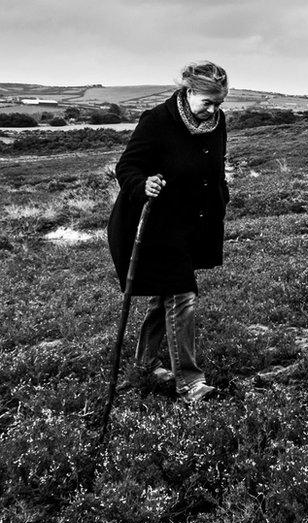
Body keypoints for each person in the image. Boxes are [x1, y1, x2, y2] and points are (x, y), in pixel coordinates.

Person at [107, 61, 230, 403]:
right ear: (190, 92)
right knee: (182, 296)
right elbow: (127, 166)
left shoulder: (217, 124)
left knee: (166, 295)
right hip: (151, 227)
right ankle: (190, 383)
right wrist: (142, 183)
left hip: (190, 225)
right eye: (207, 102)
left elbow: (213, 168)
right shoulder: (157, 121)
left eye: (219, 103)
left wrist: (220, 197)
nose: (213, 110)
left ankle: (144, 364)